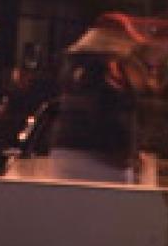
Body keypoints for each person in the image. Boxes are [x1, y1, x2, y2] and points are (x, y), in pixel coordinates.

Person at [42, 19, 146, 183]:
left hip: (73, 151)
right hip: (99, 155)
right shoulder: (100, 72)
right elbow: (108, 113)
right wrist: (125, 151)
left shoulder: (76, 67)